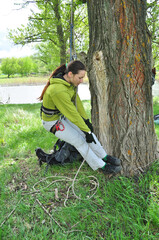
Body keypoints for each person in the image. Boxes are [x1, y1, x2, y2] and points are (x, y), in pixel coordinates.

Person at [39, 60, 122, 174]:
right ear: (70, 74)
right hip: (52, 123)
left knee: (89, 134)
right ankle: (102, 167)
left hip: (61, 117)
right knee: (80, 141)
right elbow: (72, 114)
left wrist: (86, 122)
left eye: (83, 77)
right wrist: (86, 131)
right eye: (80, 77)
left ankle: (104, 157)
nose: (82, 81)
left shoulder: (69, 84)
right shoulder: (58, 91)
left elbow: (77, 104)